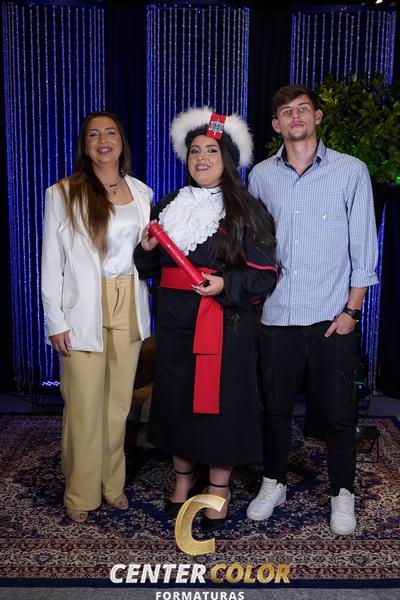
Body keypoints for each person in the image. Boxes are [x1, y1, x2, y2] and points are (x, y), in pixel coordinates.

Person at [134, 107, 278, 532]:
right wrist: (145, 250)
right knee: (177, 401)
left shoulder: (247, 210)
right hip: (175, 323)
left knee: (219, 406)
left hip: (224, 323)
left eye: (211, 151)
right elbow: (148, 268)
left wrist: (225, 286)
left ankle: (219, 488)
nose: (201, 158)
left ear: (227, 158)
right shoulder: (169, 205)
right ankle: (182, 479)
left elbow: (265, 275)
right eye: (195, 150)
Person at [246, 84, 378, 535]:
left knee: (339, 413)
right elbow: (255, 247)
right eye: (287, 111)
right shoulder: (261, 176)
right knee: (275, 410)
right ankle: (274, 482)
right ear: (276, 125)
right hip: (277, 316)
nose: (296, 116)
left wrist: (351, 312)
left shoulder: (350, 170)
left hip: (332, 317)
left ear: (318, 117)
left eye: (303, 108)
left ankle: (342, 492)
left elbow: (364, 248)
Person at [41, 111, 152, 523]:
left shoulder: (142, 191)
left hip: (130, 302)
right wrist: (56, 321)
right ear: (85, 145)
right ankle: (80, 495)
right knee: (84, 406)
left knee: (117, 405)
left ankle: (112, 484)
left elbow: (144, 254)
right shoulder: (63, 193)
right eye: (94, 135)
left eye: (110, 133)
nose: (103, 140)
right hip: (83, 307)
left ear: (121, 141)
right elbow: (51, 264)